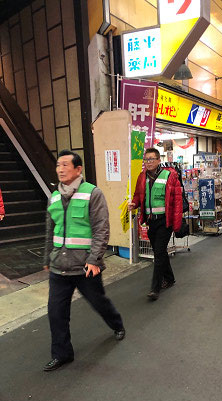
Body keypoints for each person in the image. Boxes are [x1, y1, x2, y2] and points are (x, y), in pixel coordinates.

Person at [43, 150, 125, 372]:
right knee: (56, 312)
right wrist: (47, 256)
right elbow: (50, 229)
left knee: (99, 302)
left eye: (65, 165)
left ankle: (117, 324)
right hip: (59, 266)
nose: (60, 169)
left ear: (78, 169)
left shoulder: (92, 193)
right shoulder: (54, 196)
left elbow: (101, 228)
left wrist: (95, 259)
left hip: (85, 266)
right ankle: (62, 354)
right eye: (58, 165)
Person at [129, 148, 183, 300]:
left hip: (165, 221)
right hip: (151, 221)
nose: (149, 162)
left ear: (159, 160)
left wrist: (176, 223)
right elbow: (138, 195)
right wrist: (134, 204)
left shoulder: (170, 175)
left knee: (158, 254)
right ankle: (170, 278)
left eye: (152, 159)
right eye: (146, 159)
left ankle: (155, 288)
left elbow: (177, 201)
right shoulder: (142, 177)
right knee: (160, 252)